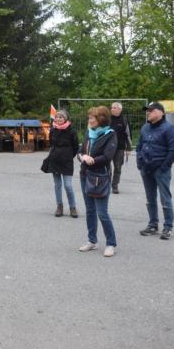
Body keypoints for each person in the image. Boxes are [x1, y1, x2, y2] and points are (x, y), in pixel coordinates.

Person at [77, 106, 119, 257]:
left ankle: (111, 243)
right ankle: (92, 241)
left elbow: (108, 157)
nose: (89, 120)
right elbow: (81, 151)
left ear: (100, 119)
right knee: (90, 211)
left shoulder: (110, 134)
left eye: (91, 118)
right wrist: (82, 157)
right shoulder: (89, 132)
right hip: (85, 175)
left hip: (100, 177)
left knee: (102, 213)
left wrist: (91, 159)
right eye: (89, 118)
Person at [136, 102, 174, 240]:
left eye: (151, 110)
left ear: (161, 112)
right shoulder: (145, 127)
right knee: (150, 199)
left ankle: (168, 227)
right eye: (147, 110)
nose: (148, 113)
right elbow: (139, 146)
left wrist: (163, 167)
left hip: (161, 170)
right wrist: (140, 162)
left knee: (165, 199)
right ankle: (153, 224)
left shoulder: (169, 128)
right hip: (146, 168)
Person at [46, 110, 79, 218]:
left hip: (67, 161)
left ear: (66, 119)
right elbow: (51, 144)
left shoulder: (72, 131)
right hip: (54, 160)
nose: (58, 119)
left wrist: (69, 156)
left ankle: (72, 207)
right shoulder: (52, 130)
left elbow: (75, 147)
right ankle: (59, 206)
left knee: (68, 185)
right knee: (57, 185)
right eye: (57, 117)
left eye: (61, 117)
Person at [109, 102, 132, 194]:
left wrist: (129, 148)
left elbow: (128, 135)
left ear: (120, 109)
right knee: (106, 167)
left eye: (114, 108)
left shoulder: (124, 120)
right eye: (111, 107)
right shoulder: (107, 119)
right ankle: (106, 184)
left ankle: (115, 186)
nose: (112, 109)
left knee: (118, 167)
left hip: (120, 148)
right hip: (108, 148)